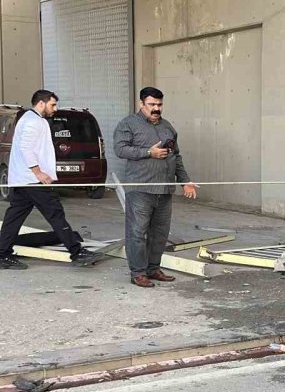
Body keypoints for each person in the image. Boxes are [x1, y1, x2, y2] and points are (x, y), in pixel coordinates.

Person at [0, 90, 101, 270]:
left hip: (23, 180)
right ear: (41, 103)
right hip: (32, 181)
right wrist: (38, 172)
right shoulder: (32, 121)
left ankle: (2, 254)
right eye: (52, 105)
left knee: (14, 217)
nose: (55, 109)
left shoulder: (30, 119)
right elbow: (25, 148)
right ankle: (76, 252)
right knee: (55, 213)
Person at [113, 87, 197, 288]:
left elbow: (176, 157)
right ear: (141, 104)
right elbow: (119, 149)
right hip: (141, 189)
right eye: (152, 105)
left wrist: (185, 181)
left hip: (165, 191)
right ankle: (138, 273)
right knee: (137, 232)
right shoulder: (128, 124)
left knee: (159, 234)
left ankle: (153, 268)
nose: (156, 109)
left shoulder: (167, 127)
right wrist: (148, 152)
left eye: (159, 105)